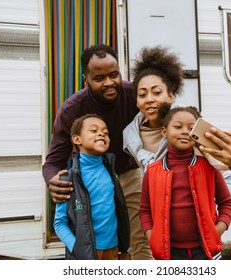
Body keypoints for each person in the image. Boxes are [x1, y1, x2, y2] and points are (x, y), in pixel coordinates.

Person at [42, 44, 153, 259]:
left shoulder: (135, 95)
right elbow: (53, 162)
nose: (109, 82)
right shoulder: (71, 110)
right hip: (90, 179)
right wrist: (53, 180)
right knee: (96, 243)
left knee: (140, 242)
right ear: (86, 80)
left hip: (129, 173)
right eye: (99, 78)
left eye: (114, 74)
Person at [123, 46, 231, 194]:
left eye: (157, 92)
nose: (149, 99)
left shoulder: (188, 123)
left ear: (171, 96)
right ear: (136, 101)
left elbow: (225, 164)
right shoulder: (131, 135)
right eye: (142, 94)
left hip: (207, 191)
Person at [139, 104, 231, 260]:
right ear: (164, 132)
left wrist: (217, 230)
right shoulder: (152, 171)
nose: (185, 131)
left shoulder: (208, 167)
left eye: (191, 128)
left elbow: (227, 203)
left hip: (206, 252)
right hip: (169, 254)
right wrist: (152, 236)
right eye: (178, 126)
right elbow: (144, 210)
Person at [53, 114, 130, 260]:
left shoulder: (111, 173)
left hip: (113, 250)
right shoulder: (68, 178)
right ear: (77, 139)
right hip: (86, 254)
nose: (101, 133)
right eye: (93, 130)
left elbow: (120, 213)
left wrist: (125, 247)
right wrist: (78, 248)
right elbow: (59, 223)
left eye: (105, 133)